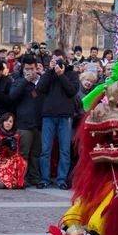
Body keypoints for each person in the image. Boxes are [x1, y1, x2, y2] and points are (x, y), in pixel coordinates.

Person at [36, 49, 80, 190]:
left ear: (65, 60)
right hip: (48, 115)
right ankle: (44, 179)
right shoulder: (49, 74)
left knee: (64, 150)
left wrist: (61, 75)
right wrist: (50, 71)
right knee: (45, 150)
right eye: (54, 60)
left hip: (65, 116)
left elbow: (72, 91)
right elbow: (40, 88)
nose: (57, 63)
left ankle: (61, 180)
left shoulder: (72, 74)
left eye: (59, 60)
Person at [9, 55, 43, 187]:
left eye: (32, 69)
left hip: (38, 123)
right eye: (27, 69)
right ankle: (21, 178)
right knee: (23, 153)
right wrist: (25, 81)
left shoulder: (40, 82)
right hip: (24, 124)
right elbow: (12, 96)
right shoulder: (18, 82)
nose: (30, 71)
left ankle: (34, 177)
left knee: (36, 153)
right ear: (23, 69)